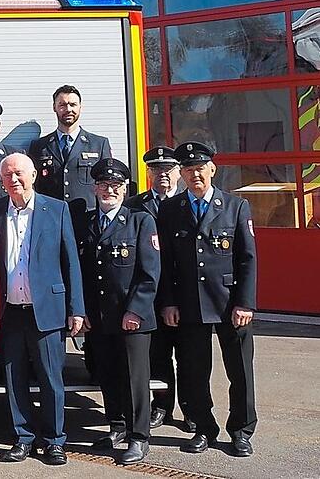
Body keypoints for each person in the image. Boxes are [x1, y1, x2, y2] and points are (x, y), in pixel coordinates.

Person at [0, 153, 84, 466]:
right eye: (7, 175)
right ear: (0, 181)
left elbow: (71, 262)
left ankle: (54, 441)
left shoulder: (57, 209)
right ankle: (22, 438)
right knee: (14, 379)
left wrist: (76, 308)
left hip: (47, 310)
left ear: (34, 175)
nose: (13, 179)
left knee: (51, 379)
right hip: (8, 312)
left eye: (19, 173)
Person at [157, 141, 257, 457]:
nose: (194, 175)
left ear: (212, 169)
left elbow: (248, 258)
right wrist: (169, 302)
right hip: (190, 303)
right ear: (181, 174)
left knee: (239, 370)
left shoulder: (235, 207)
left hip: (230, 303)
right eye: (187, 170)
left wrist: (245, 303)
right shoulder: (171, 210)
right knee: (193, 370)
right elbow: (166, 262)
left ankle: (241, 431)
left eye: (199, 168)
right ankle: (203, 428)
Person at [78, 158, 160, 465]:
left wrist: (136, 311)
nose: (108, 190)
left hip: (132, 319)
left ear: (124, 189)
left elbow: (150, 272)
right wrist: (82, 311)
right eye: (103, 185)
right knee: (107, 374)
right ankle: (117, 425)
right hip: (100, 317)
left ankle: (139, 437)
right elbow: (84, 273)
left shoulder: (141, 221)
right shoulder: (85, 223)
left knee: (135, 378)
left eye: (115, 186)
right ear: (95, 188)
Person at [124, 146, 193, 432]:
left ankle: (192, 409)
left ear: (178, 173)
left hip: (185, 294)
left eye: (168, 169)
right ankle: (161, 406)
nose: (163, 175)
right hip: (150, 296)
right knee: (158, 355)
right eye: (156, 170)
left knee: (189, 356)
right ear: (148, 173)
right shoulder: (134, 206)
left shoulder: (188, 203)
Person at [27, 85, 112, 217]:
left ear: (80, 107)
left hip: (86, 218)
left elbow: (107, 183)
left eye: (73, 104)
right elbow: (32, 185)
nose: (68, 109)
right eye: (62, 105)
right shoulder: (38, 146)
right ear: (54, 107)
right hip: (50, 217)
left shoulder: (99, 144)